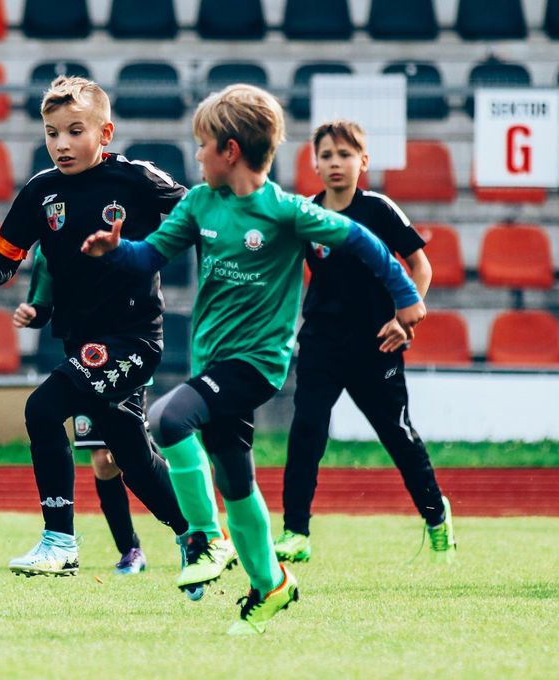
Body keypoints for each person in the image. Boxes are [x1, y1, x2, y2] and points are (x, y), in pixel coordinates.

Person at [80, 84, 427, 634]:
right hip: (211, 362)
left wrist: (407, 297)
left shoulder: (287, 212)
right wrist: (117, 249)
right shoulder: (199, 203)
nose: (197, 155)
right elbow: (151, 255)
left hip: (257, 363)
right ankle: (270, 585)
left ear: (231, 150)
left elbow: (363, 240)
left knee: (168, 419)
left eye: (203, 145)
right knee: (235, 480)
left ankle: (204, 538)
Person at [0, 76, 191, 577]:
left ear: (104, 133)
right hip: (81, 341)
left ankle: (59, 541)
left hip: (132, 338)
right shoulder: (41, 191)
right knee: (131, 458)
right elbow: (9, 252)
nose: (61, 144)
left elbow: (197, 211)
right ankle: (197, 534)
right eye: (52, 133)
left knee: (42, 410)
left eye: (74, 131)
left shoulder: (136, 179)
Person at [275, 119, 456, 565]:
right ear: (315, 164)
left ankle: (437, 518)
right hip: (320, 341)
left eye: (345, 154)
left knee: (397, 434)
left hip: (379, 344)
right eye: (327, 155)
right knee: (306, 430)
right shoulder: (306, 213)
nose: (336, 163)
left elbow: (421, 266)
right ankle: (296, 532)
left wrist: (404, 321)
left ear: (363, 161)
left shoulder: (379, 209)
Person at [14, 246, 147, 576]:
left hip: (123, 361)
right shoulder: (49, 248)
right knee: (103, 462)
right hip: (82, 365)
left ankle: (201, 532)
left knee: (135, 458)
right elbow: (42, 305)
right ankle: (130, 549)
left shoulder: (117, 239)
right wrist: (31, 313)